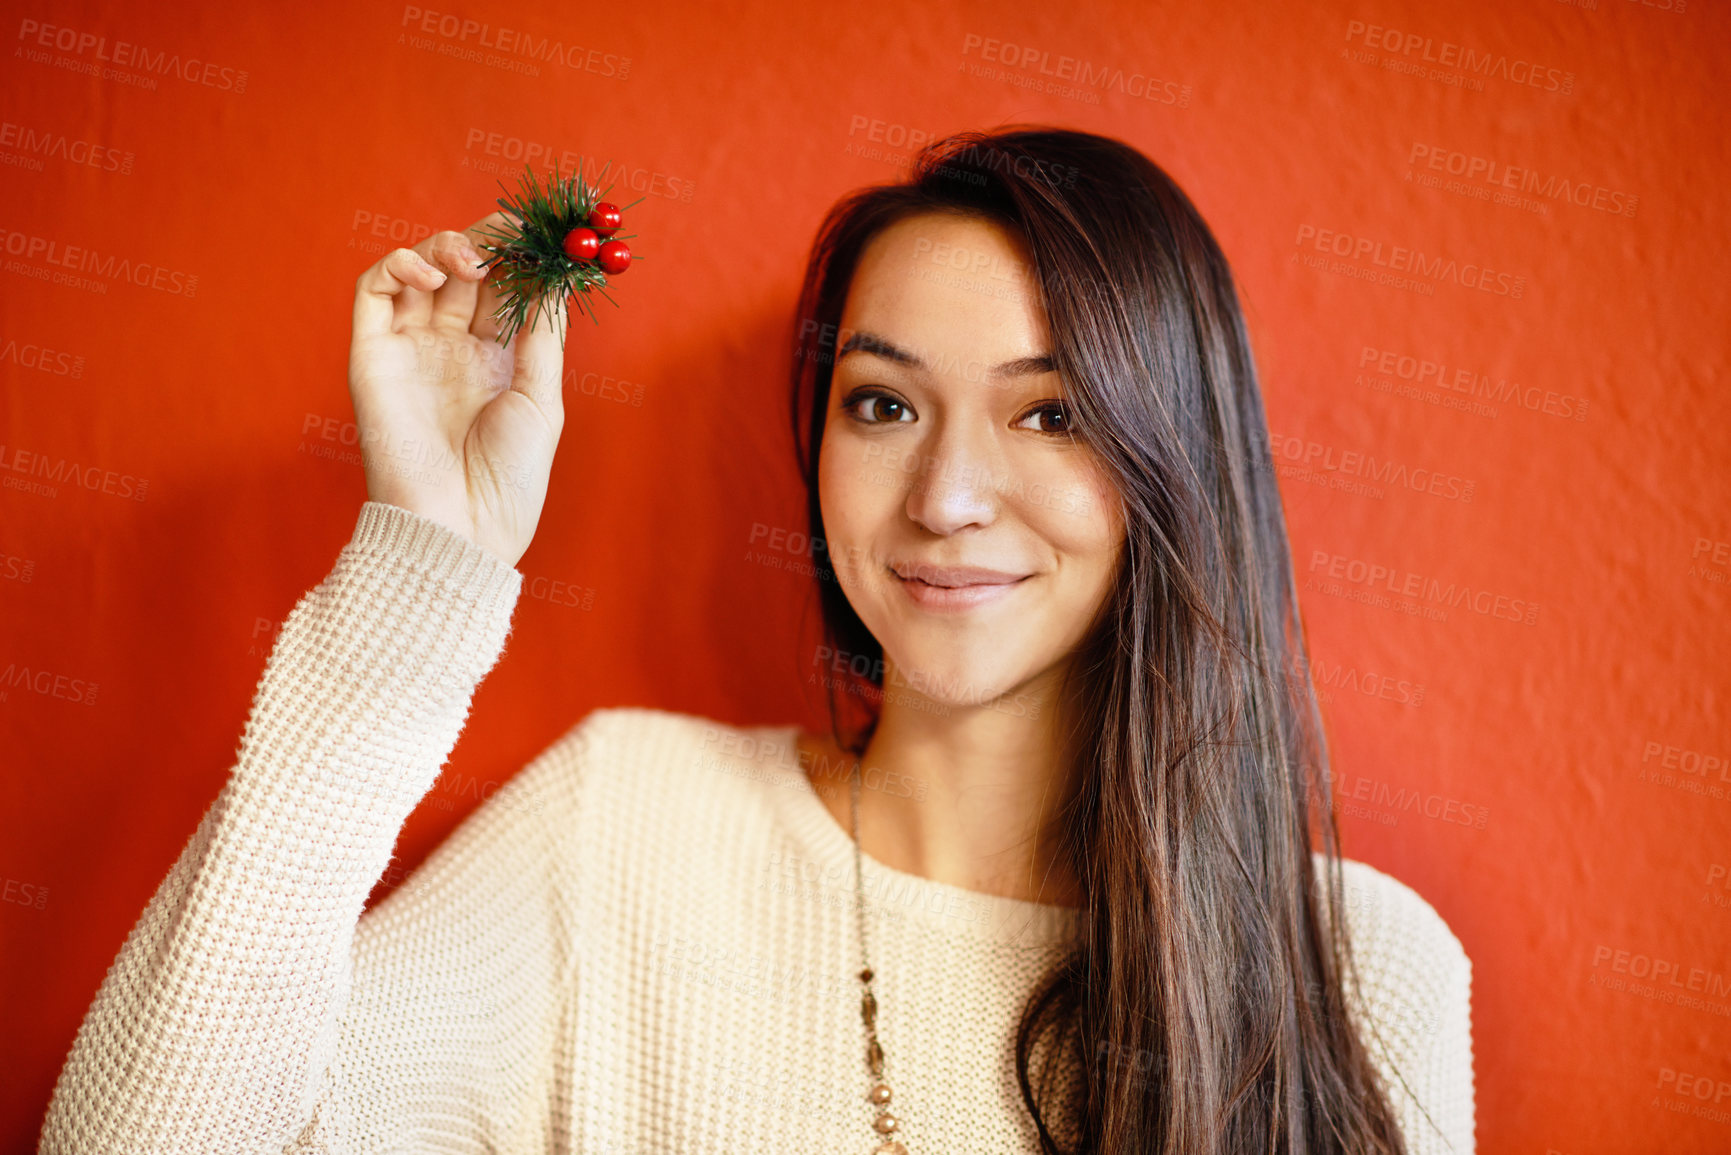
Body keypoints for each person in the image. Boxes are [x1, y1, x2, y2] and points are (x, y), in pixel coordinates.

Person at [38, 128, 1473, 1154]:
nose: (948, 498)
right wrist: (426, 567)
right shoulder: (621, 830)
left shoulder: (1364, 971)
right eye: (883, 404)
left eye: (1052, 413)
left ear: (1178, 462)